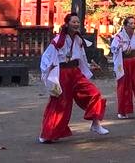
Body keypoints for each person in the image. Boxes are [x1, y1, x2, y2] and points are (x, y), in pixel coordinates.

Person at [39, 13, 109, 143]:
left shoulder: (78, 40)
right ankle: (48, 133)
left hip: (75, 72)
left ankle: (95, 123)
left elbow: (80, 58)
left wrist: (88, 66)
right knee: (60, 104)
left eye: (78, 22)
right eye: (74, 22)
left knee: (94, 93)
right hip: (62, 73)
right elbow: (47, 58)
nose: (76, 24)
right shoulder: (58, 41)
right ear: (67, 24)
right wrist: (48, 73)